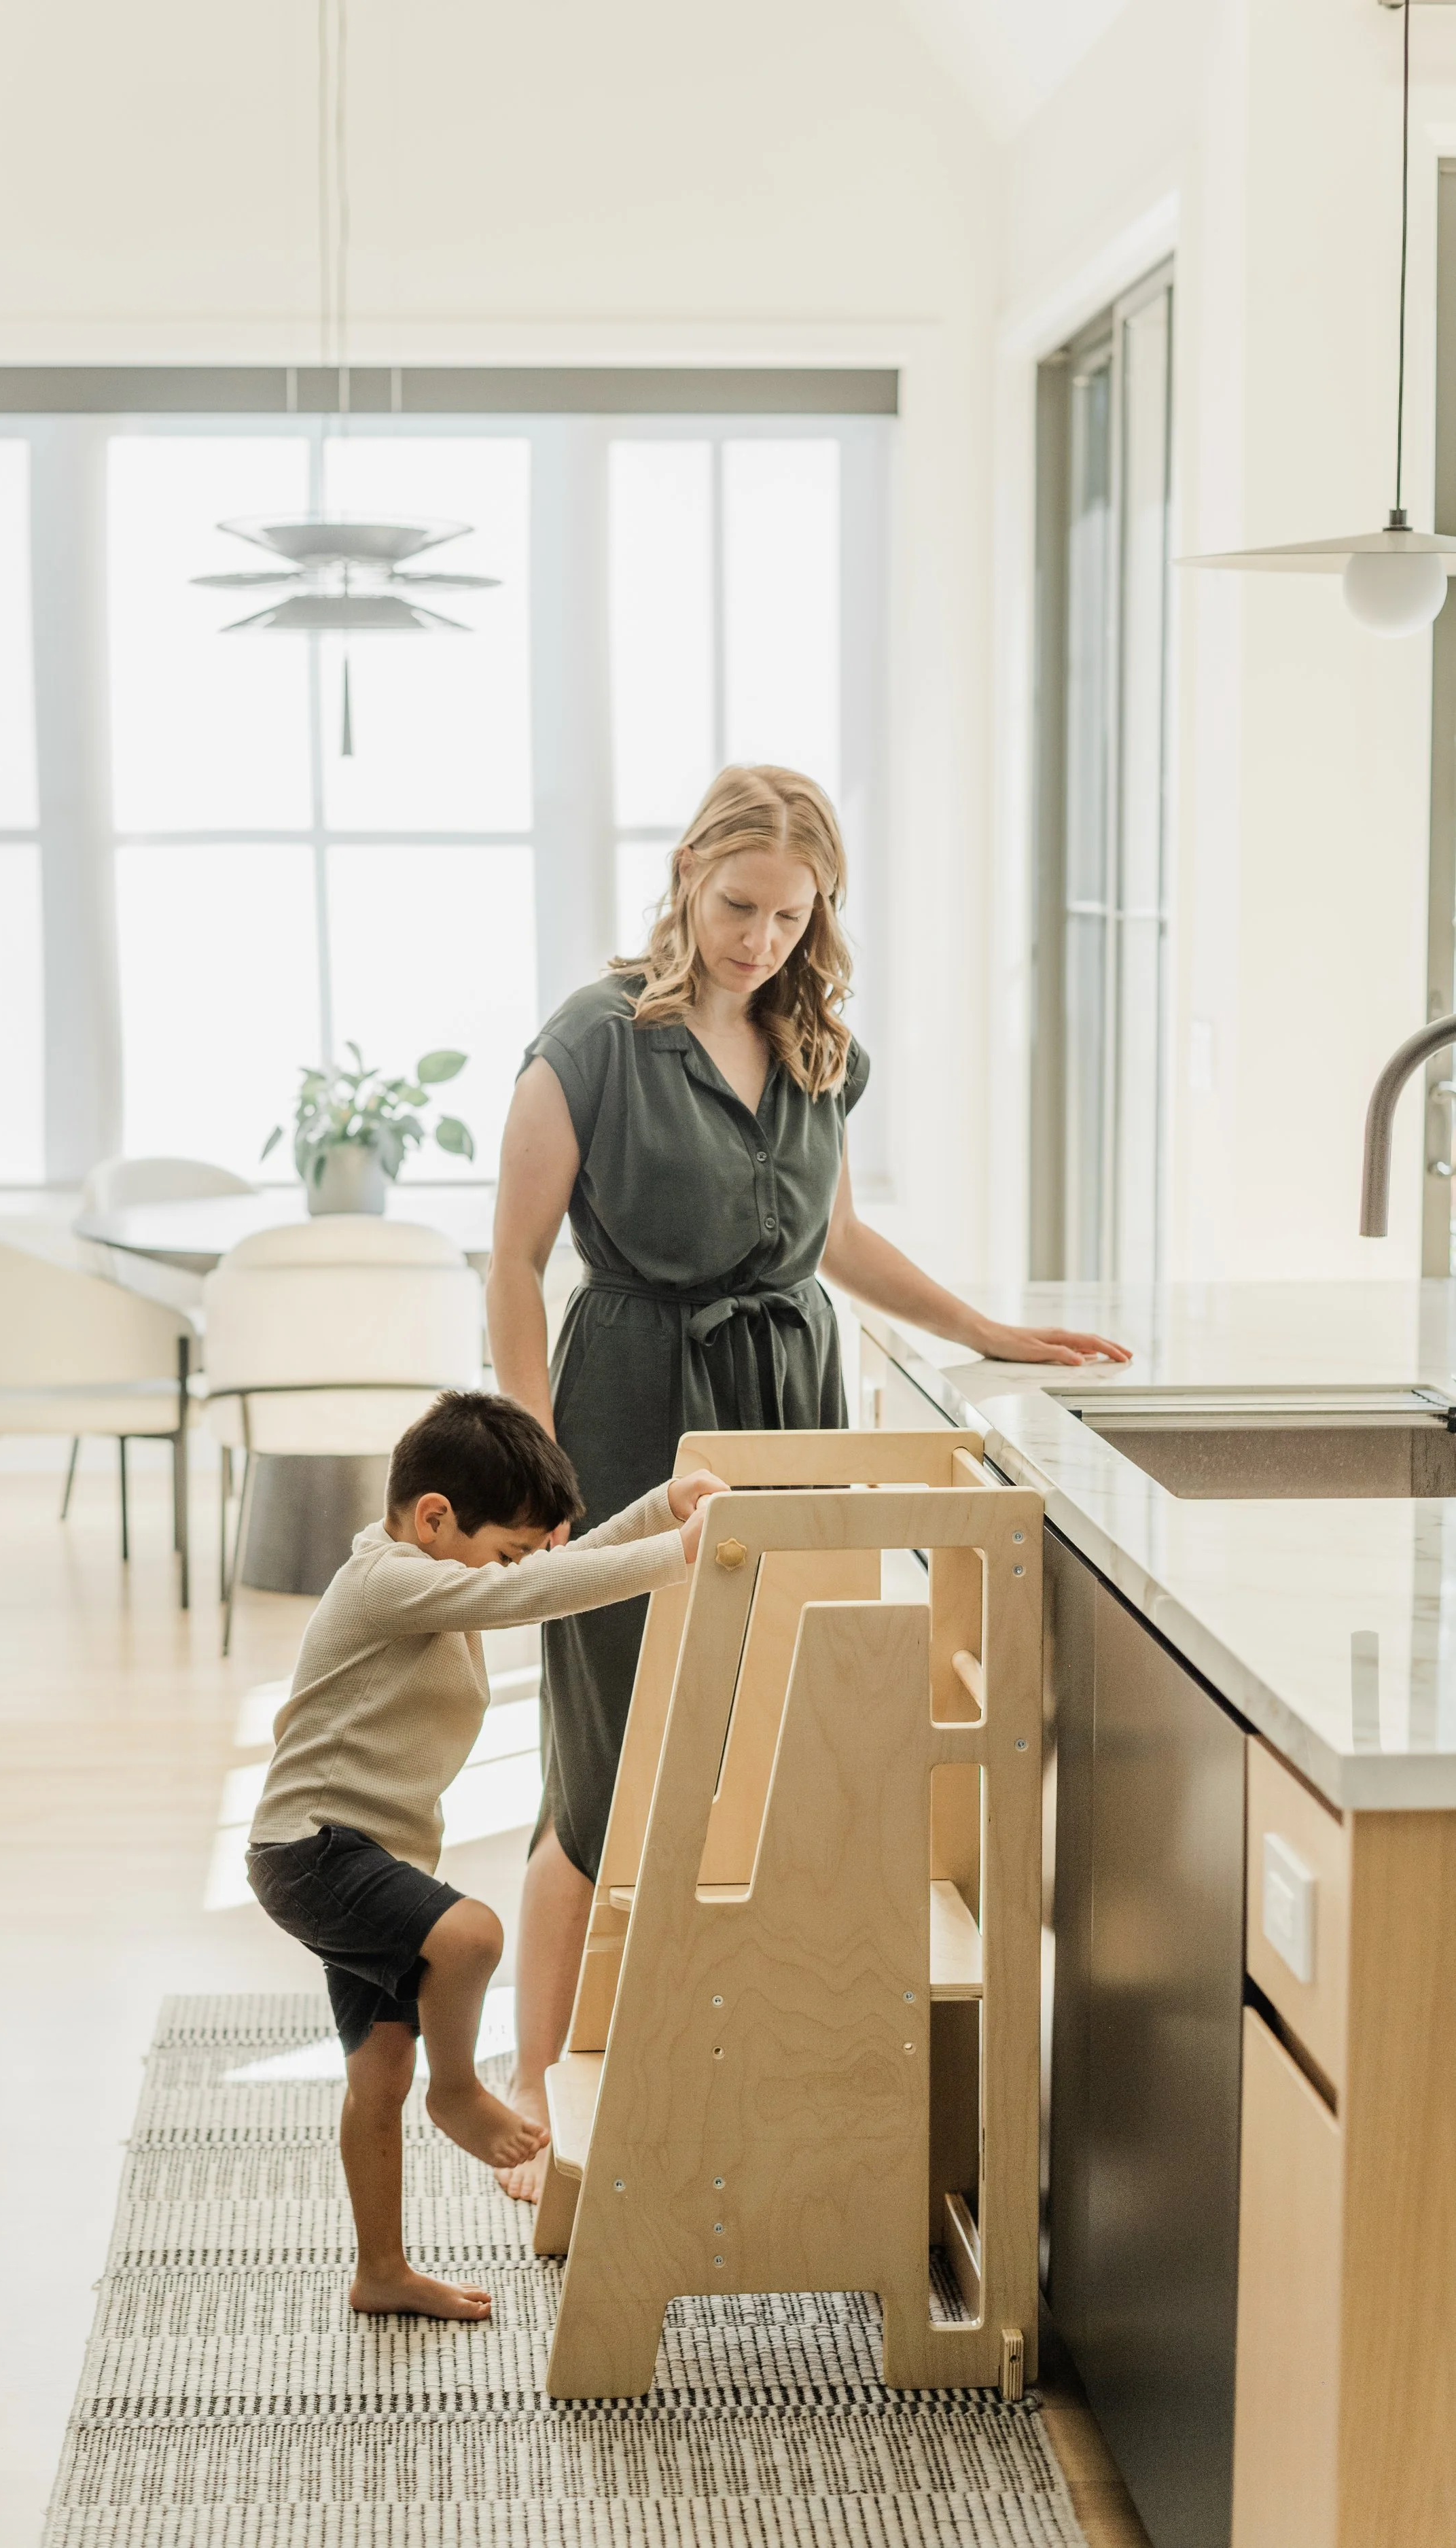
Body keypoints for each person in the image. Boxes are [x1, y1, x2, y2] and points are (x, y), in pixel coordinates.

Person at [486, 763, 1131, 2201]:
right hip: (631, 1408)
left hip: (791, 1406)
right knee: (605, 1764)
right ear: (683, 878)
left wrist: (980, 1328)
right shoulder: (590, 1042)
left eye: (789, 915)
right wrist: (533, 1463)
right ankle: (530, 2092)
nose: (758, 941)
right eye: (736, 908)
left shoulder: (817, 1040)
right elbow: (514, 1264)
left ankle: (712, 2055)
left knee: (771, 1748)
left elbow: (832, 1239)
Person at [245, 1388, 727, 2322]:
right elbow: (529, 1592)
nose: (515, 1568)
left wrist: (662, 1508)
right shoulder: (387, 1580)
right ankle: (459, 2090)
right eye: (505, 1546)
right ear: (435, 1519)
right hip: (313, 1849)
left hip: (362, 1856)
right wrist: (676, 1556)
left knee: (376, 2077)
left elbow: (552, 1568)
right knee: (469, 1935)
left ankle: (381, 2268)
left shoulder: (435, 1570)